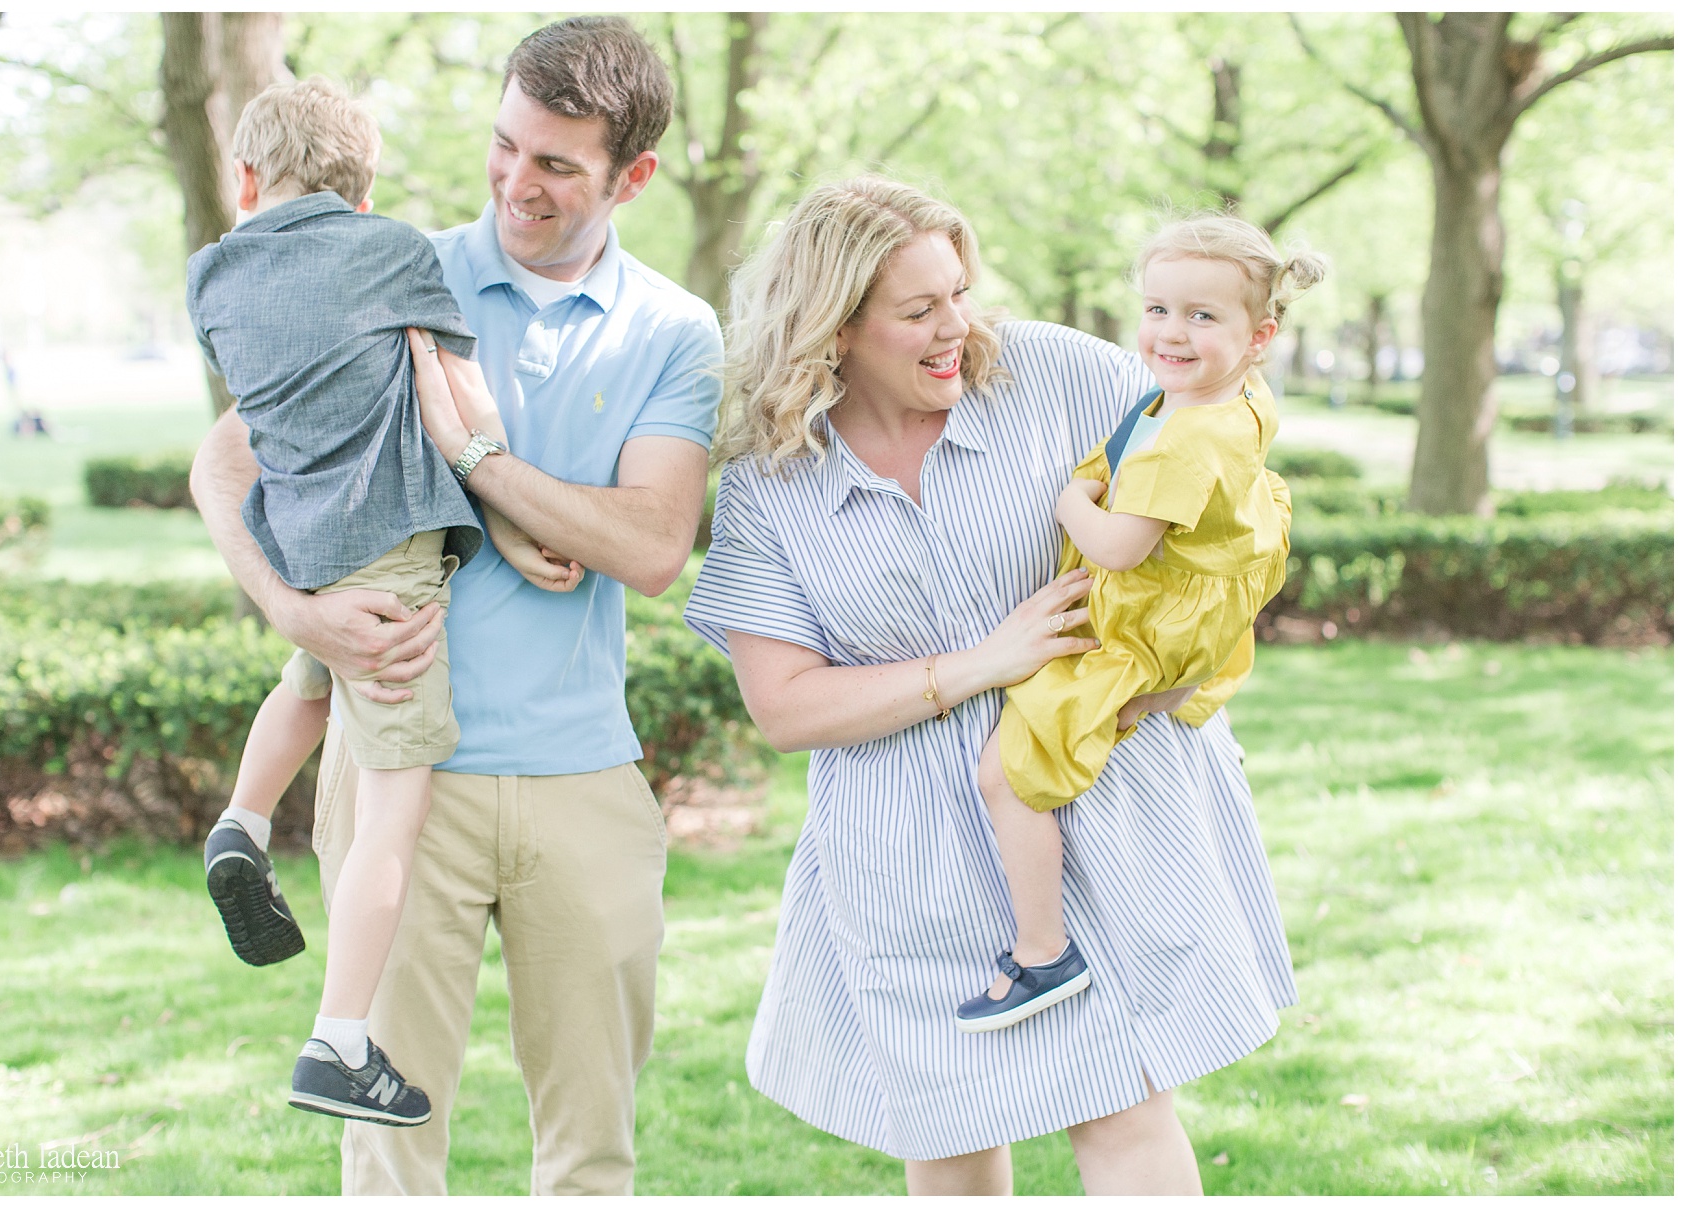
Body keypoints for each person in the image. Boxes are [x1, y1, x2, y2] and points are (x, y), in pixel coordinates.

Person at [189, 17, 721, 1194]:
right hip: (394, 773)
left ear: (630, 176)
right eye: (505, 145)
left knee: (592, 1154)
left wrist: (482, 462)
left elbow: (650, 543)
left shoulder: (676, 332)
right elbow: (223, 468)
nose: (515, 182)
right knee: (386, 1155)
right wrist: (295, 612)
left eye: (557, 165)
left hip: (583, 779)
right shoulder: (384, 271)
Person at [682, 176, 1296, 1195]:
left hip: (1090, 791)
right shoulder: (771, 478)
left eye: (958, 293)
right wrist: (980, 665)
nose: (956, 328)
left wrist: (1178, 668)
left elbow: (1227, 490)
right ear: (834, 328)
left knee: (1126, 1105)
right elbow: (784, 705)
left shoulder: (1055, 373)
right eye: (919, 310)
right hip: (904, 843)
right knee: (955, 1139)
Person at [188, 77, 582, 1127]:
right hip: (396, 562)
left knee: (309, 676)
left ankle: (242, 816)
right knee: (389, 822)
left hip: (304, 546)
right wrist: (505, 498)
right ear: (363, 191)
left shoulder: (212, 278)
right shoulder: (394, 249)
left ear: (245, 176)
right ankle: (340, 1037)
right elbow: (451, 390)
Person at [958, 215, 1326, 1032]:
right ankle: (1158, 699)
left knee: (1006, 775)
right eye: (1158, 309)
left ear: (1259, 335)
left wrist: (1068, 500)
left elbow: (1120, 550)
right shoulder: (1231, 400)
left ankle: (1042, 953)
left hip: (1141, 627)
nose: (1170, 332)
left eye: (1203, 316)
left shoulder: (1183, 444)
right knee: (1129, 705)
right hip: (1201, 614)